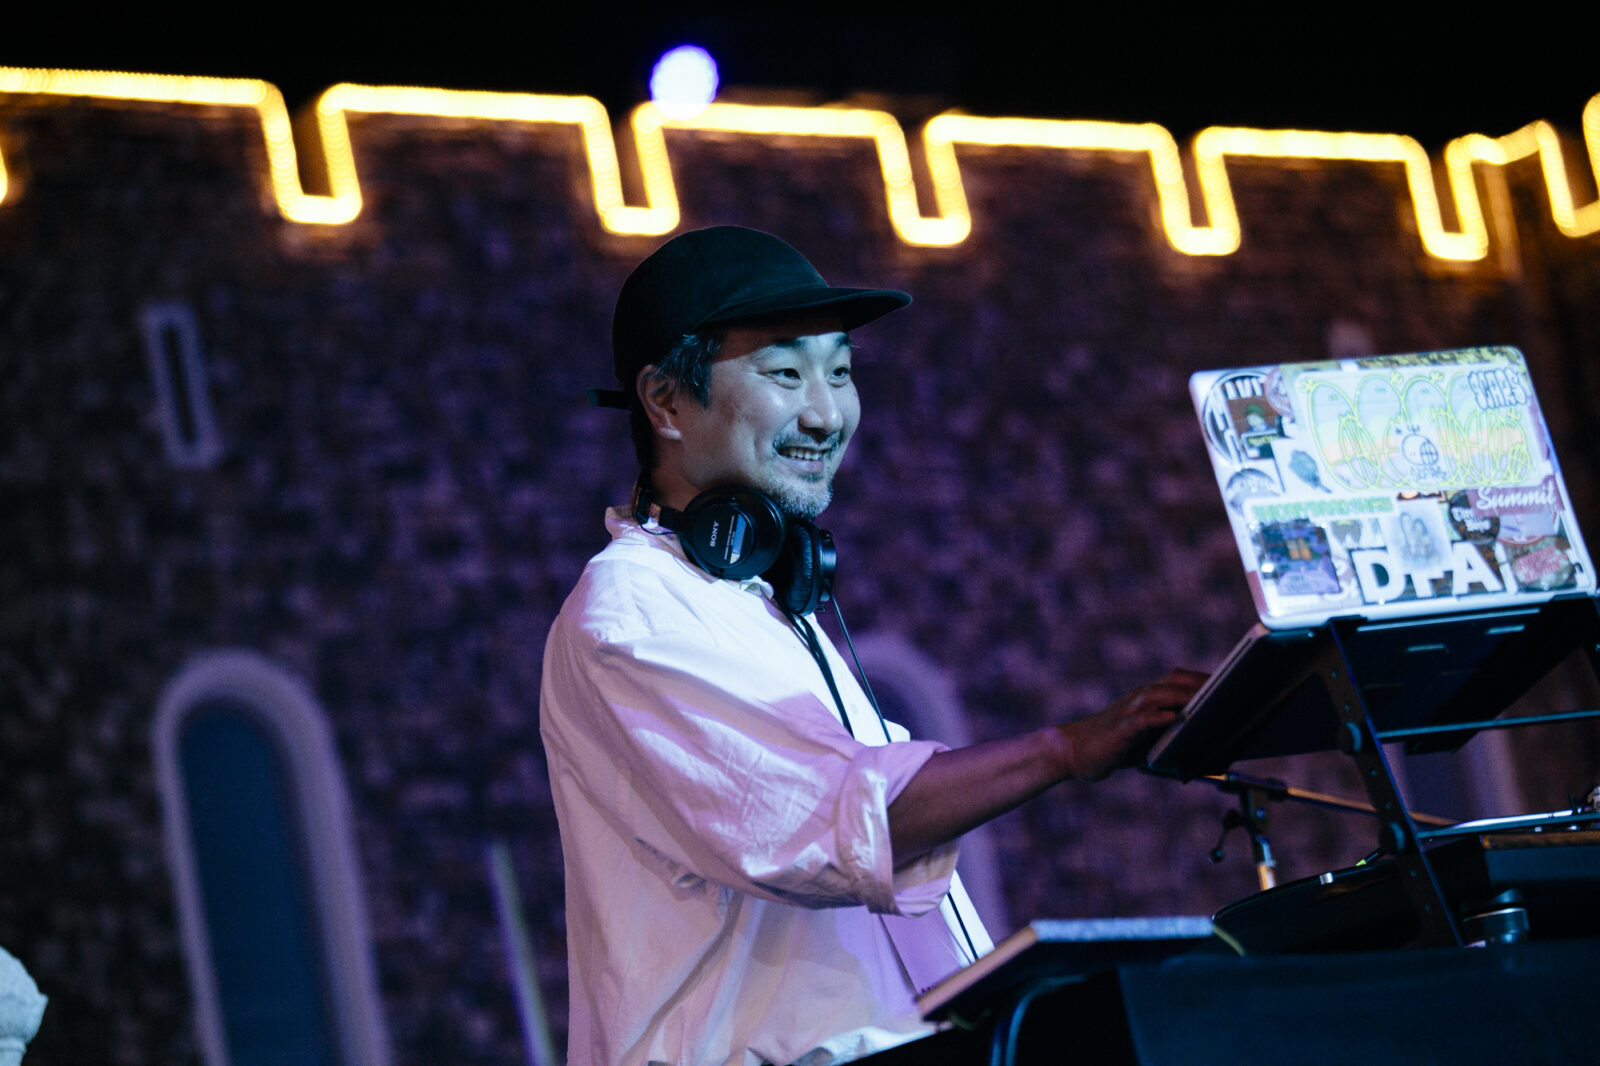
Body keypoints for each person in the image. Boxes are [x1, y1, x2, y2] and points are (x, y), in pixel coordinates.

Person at [540, 226, 1205, 1065]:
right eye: (786, 374)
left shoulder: (760, 605)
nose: (827, 413)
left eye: (842, 371)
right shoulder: (633, 612)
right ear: (666, 401)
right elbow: (832, 818)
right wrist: (1066, 750)